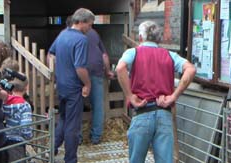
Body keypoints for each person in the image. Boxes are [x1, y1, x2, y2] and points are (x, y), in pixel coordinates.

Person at [115, 20, 196, 163]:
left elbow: (120, 68)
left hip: (142, 113)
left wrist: (130, 96)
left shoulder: (133, 52)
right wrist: (174, 96)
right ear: (159, 38)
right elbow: (191, 69)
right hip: (164, 114)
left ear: (140, 37)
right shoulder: (170, 55)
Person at [48, 8, 94, 163]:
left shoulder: (62, 34)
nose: (90, 28)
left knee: (63, 119)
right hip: (74, 87)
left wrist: (55, 72)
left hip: (61, 85)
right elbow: (80, 67)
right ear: (81, 22)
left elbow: (51, 54)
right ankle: (70, 159)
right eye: (89, 24)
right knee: (73, 127)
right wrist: (87, 84)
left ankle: (52, 148)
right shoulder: (81, 40)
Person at [83, 28, 114, 144]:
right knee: (98, 105)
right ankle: (96, 137)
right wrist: (108, 71)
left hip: (79, 72)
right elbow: (104, 56)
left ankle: (78, 138)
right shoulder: (94, 33)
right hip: (96, 71)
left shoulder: (70, 33)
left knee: (77, 105)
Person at [2, 76, 33, 163]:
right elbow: (25, 127)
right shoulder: (24, 105)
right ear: (26, 87)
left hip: (3, 140)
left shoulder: (3, 102)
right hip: (17, 142)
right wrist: (29, 136)